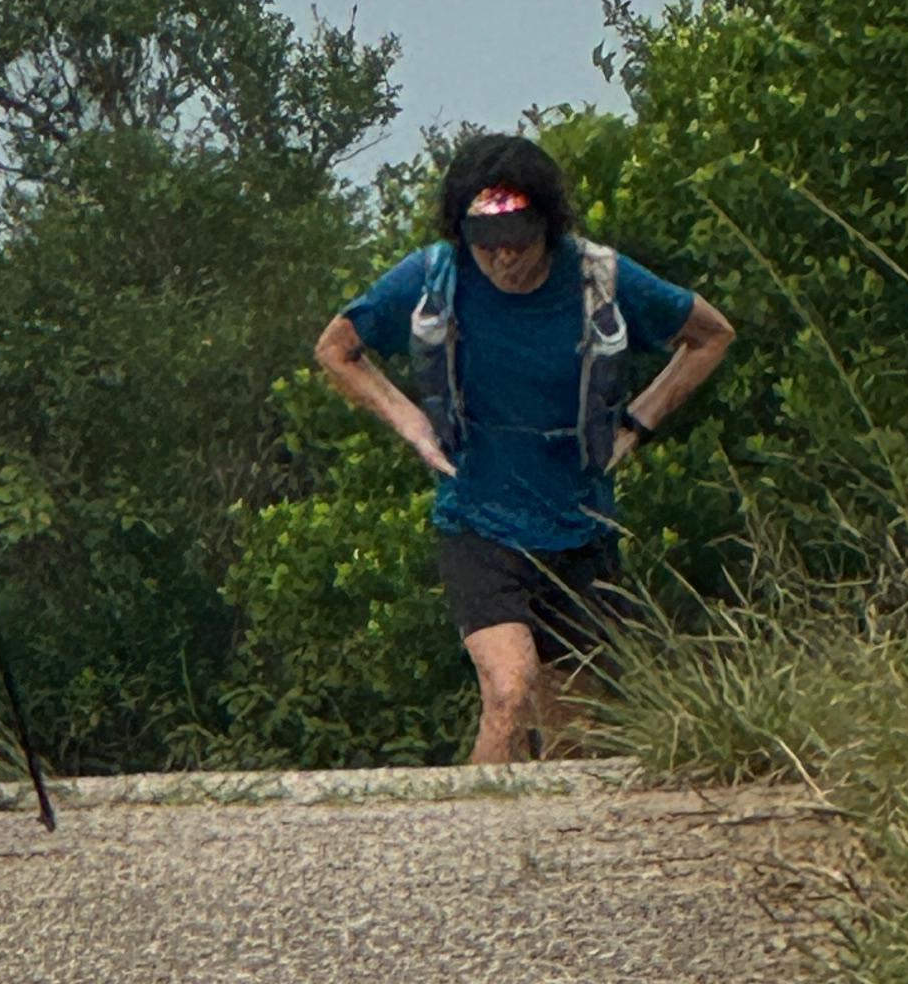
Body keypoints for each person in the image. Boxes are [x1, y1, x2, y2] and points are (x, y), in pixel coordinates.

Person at [314, 131, 734, 763]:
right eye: (487, 246)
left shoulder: (598, 276)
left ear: (548, 228)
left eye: (518, 243)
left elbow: (711, 335)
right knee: (511, 692)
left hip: (579, 522)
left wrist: (640, 422)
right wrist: (409, 421)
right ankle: (467, 847)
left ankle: (547, 858)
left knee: (576, 732)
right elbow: (336, 349)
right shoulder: (435, 277)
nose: (503, 261)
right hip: (479, 519)